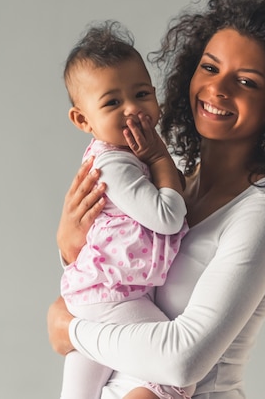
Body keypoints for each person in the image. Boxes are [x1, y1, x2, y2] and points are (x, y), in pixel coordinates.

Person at [49, 0, 265, 399]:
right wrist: (69, 247)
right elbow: (122, 273)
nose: (217, 89)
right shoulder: (168, 171)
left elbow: (184, 361)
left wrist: (70, 330)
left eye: (246, 82)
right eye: (209, 68)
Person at [58, 21, 193, 399]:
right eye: (113, 102)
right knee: (173, 369)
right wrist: (159, 156)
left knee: (83, 380)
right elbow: (167, 217)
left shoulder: (128, 157)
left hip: (100, 291)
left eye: (142, 93)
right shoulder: (115, 165)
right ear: (83, 120)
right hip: (115, 295)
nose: (133, 109)